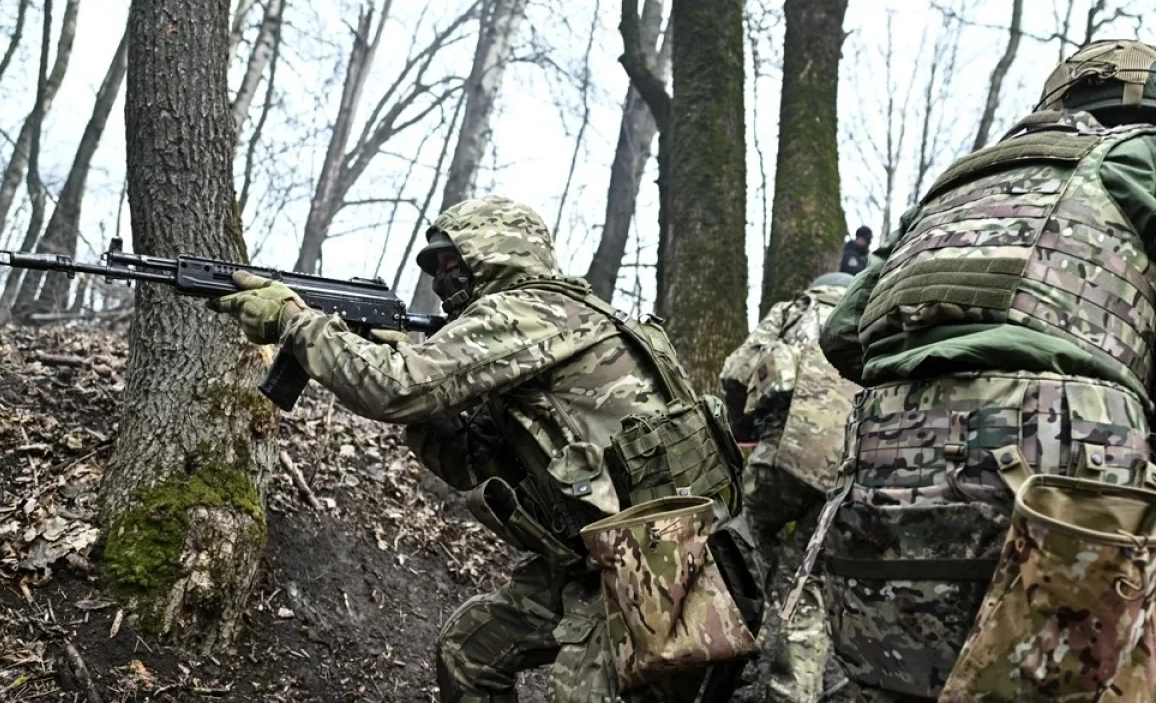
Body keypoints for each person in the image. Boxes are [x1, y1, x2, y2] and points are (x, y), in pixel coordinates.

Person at [210, 196, 762, 703]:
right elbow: (473, 460)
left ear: (495, 255)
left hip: (672, 572)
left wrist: (295, 321)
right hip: (612, 562)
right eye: (436, 268)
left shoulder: (535, 312)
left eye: (453, 263)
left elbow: (395, 387)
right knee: (470, 650)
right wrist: (427, 413)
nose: (443, 279)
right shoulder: (555, 327)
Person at [812, 38, 1156, 702]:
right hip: (1069, 505)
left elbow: (843, 336)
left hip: (880, 494)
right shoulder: (1141, 157)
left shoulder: (955, 185)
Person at [720, 272, 858, 703]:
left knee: (739, 540)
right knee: (807, 580)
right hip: (847, 471)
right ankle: (794, 692)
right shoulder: (866, 324)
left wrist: (739, 428)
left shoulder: (795, 311)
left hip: (784, 453)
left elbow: (735, 371)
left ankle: (718, 662)